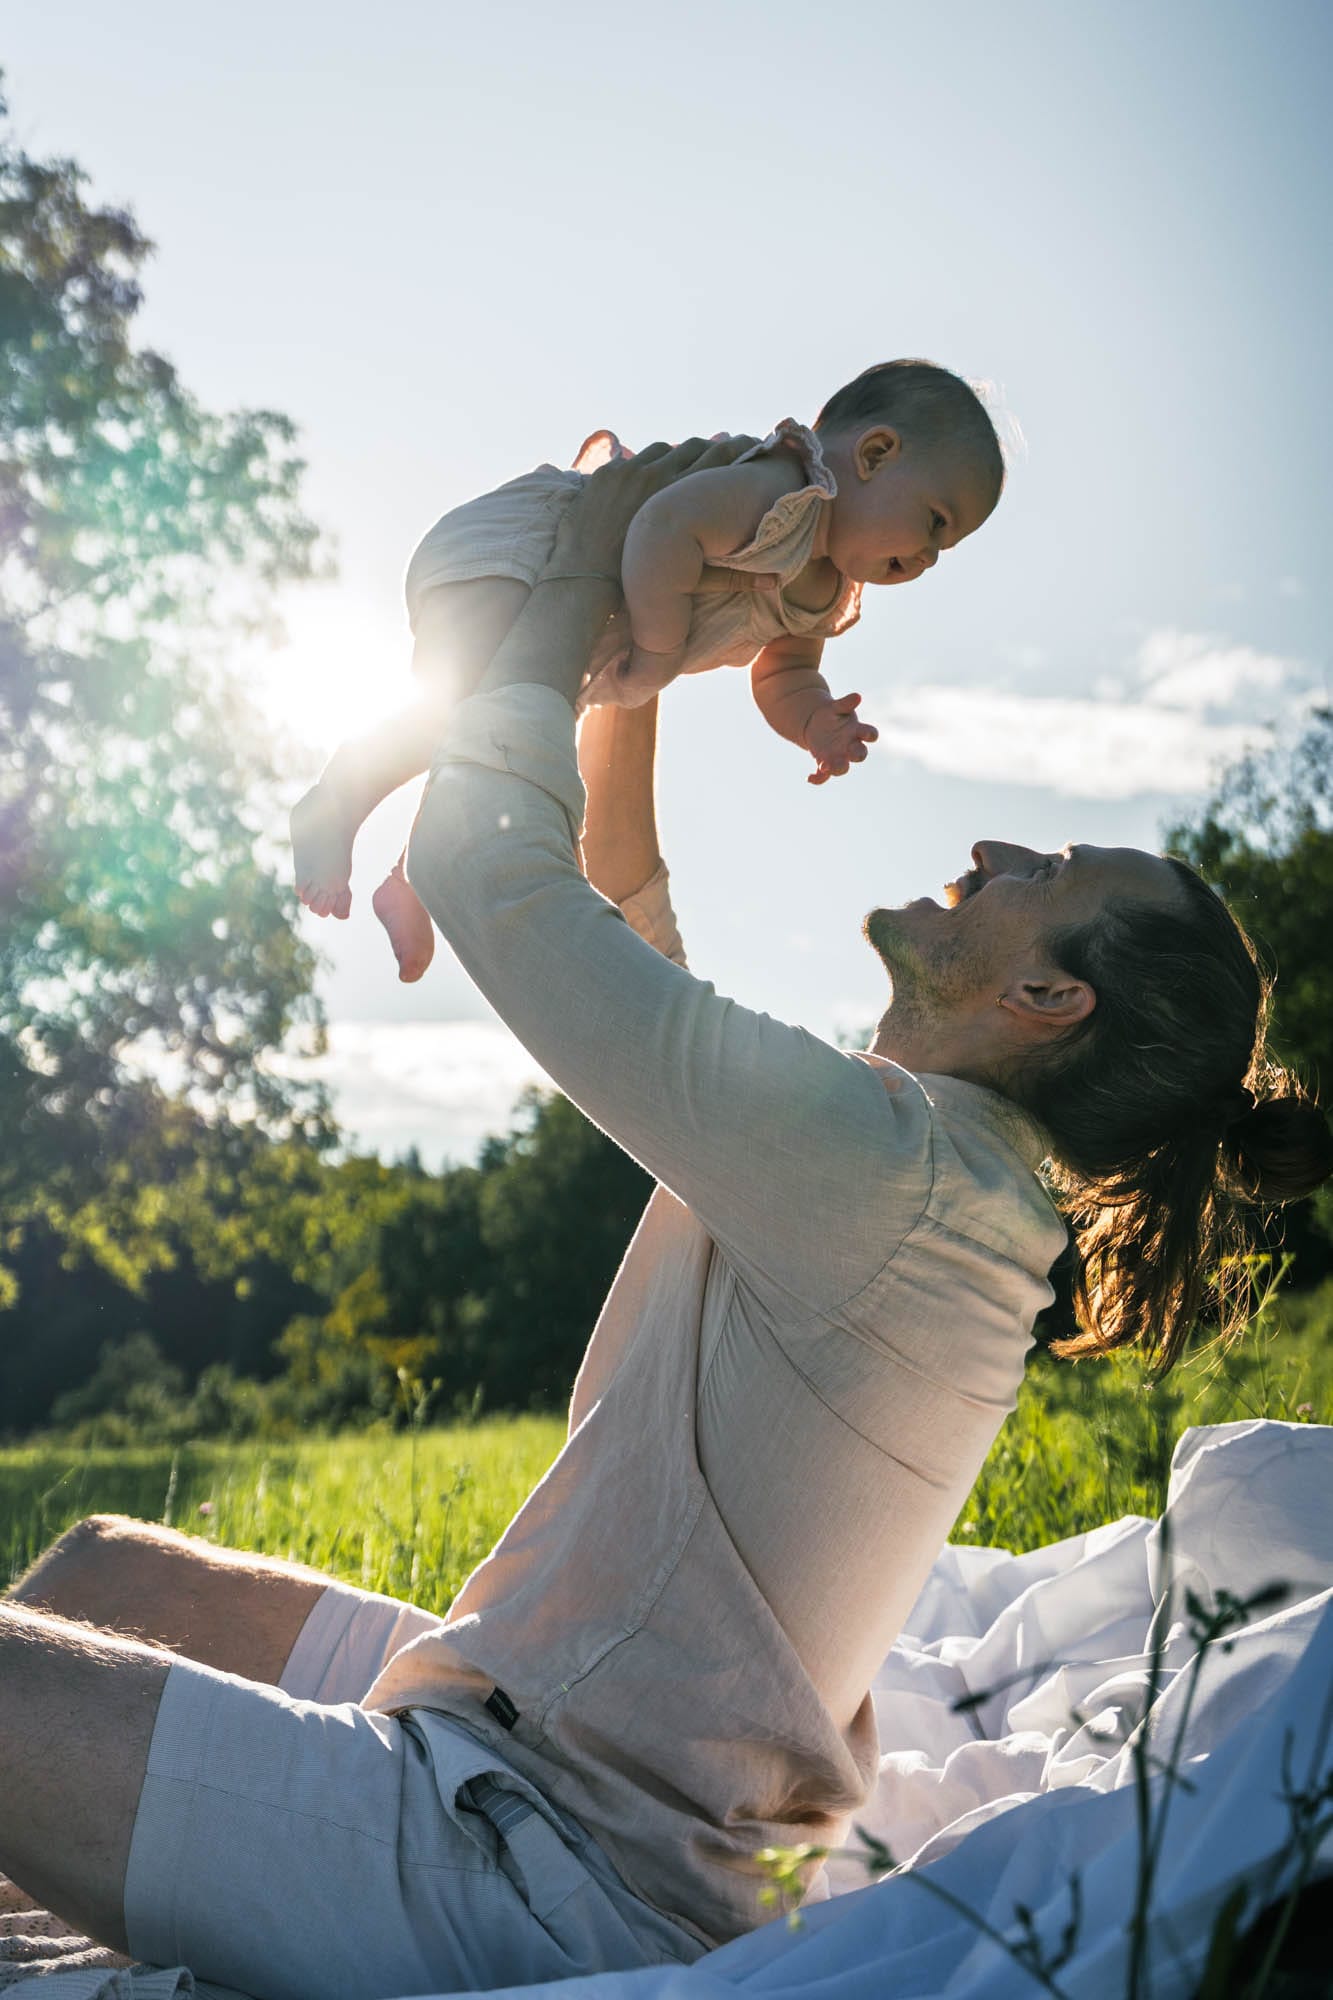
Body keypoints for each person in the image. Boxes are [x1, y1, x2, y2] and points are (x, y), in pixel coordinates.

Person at [5, 438, 1331, 2000]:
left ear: (1050, 998)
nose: (992, 853)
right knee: (101, 1571)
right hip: (531, 1726)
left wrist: (578, 578)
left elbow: (490, 882)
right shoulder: (931, 1166)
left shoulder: (898, 1176)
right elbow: (632, 912)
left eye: (1042, 871)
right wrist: (633, 673)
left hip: (543, 1857)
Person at [291, 359, 1004, 983]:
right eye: (934, 523)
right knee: (466, 707)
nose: (929, 558)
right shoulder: (782, 492)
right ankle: (339, 795)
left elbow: (782, 675)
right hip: (533, 543)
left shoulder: (822, 592)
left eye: (949, 547)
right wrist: (659, 651)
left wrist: (814, 722)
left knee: (497, 738)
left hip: (581, 627)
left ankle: (415, 879)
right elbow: (664, 525)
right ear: (875, 454)